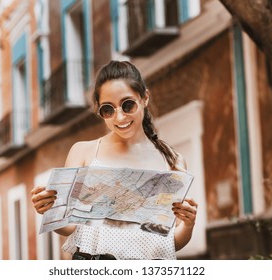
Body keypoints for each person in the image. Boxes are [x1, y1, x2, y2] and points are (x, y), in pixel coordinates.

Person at [30, 60, 198, 260]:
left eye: (128, 105)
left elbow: (170, 242)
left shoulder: (173, 160)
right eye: (108, 110)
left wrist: (188, 224)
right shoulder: (83, 152)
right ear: (99, 110)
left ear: (144, 98)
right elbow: (70, 228)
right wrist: (50, 211)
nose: (119, 117)